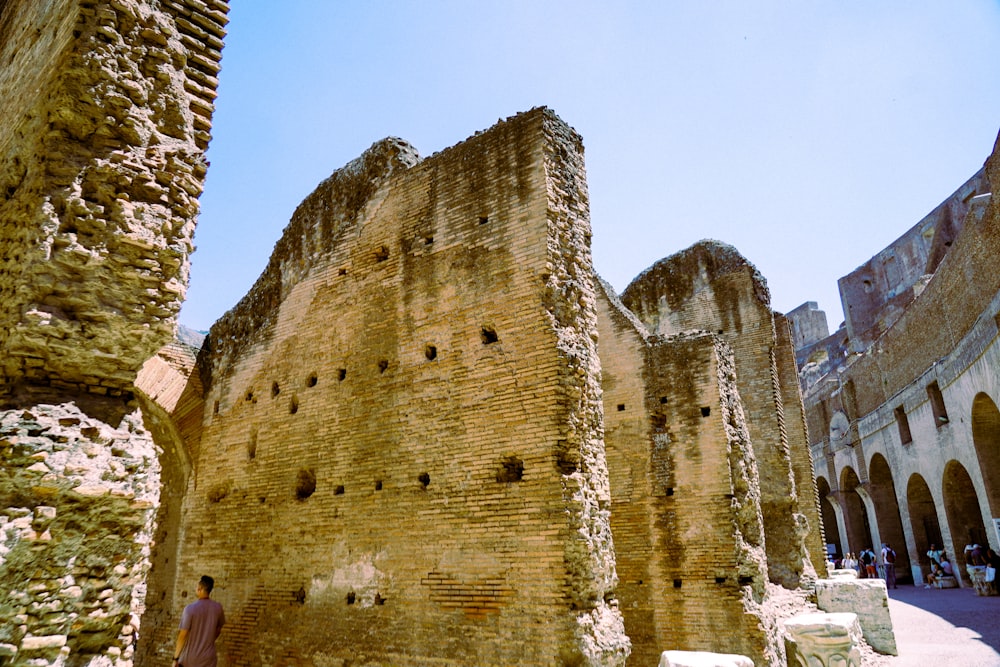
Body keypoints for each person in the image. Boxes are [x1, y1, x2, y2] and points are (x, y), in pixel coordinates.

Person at [173, 575, 225, 667]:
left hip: (191, 659)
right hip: (209, 658)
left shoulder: (190, 609)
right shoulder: (218, 608)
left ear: (200, 589)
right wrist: (207, 640)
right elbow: (218, 630)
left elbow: (182, 635)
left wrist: (175, 658)